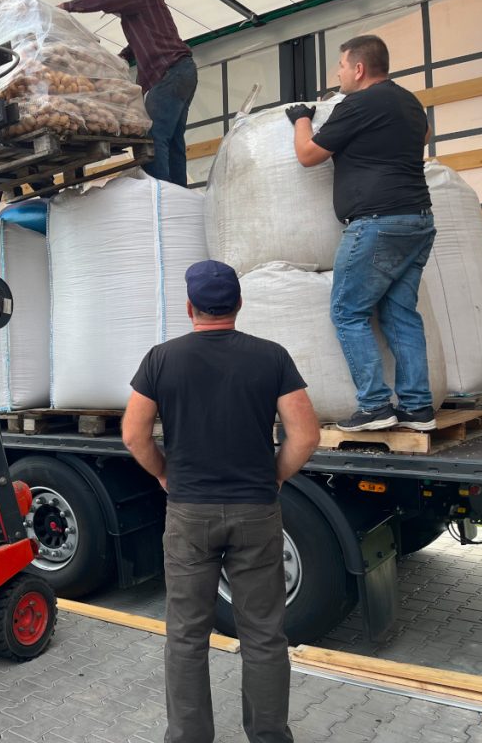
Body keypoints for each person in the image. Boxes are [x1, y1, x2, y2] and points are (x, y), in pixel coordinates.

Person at [122, 260, 320, 743]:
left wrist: (165, 473)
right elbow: (307, 435)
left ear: (190, 308)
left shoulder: (161, 359)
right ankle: (270, 736)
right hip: (256, 511)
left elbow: (133, 434)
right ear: (238, 305)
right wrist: (273, 476)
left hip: (190, 512)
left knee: (187, 635)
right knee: (264, 635)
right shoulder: (271, 357)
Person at [288, 34, 436, 433]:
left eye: (340, 65)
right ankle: (418, 408)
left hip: (377, 221)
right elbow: (420, 138)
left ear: (358, 68)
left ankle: (374, 405)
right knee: (400, 313)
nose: (337, 73)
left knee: (347, 312)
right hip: (417, 219)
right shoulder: (409, 102)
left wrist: (301, 118)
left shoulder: (358, 103)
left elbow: (308, 155)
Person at [59, 0, 197, 186]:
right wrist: (120, 58)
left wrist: (68, 6)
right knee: (174, 141)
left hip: (171, 71)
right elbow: (138, 44)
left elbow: (104, 1)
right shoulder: (137, 12)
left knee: (151, 136)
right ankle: (178, 195)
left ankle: (160, 193)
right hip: (182, 72)